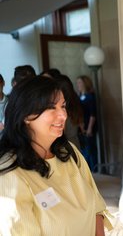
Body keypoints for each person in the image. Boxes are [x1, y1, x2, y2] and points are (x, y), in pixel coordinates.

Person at [0, 76, 112, 235]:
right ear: (25, 115)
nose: (63, 115)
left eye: (63, 106)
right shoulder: (9, 174)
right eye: (51, 107)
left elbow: (96, 208)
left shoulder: (69, 152)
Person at [41, 70, 83, 148]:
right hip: (74, 143)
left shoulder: (63, 109)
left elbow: (62, 134)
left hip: (66, 146)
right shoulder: (74, 102)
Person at [77, 75, 98, 172]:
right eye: (77, 83)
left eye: (80, 83)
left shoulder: (90, 97)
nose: (78, 85)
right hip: (82, 127)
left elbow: (93, 114)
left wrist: (89, 128)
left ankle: (93, 170)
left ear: (85, 84)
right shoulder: (80, 96)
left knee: (90, 150)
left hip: (89, 127)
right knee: (85, 150)